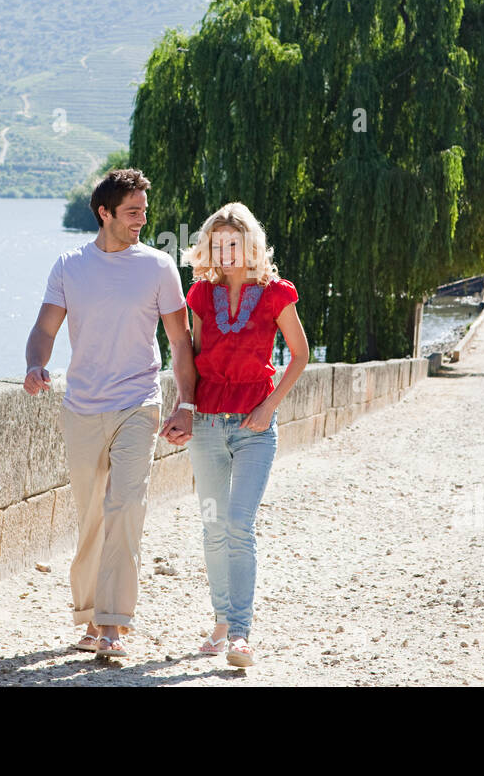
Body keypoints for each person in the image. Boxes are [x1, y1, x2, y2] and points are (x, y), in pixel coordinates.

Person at [24, 168, 197, 659]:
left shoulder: (159, 267)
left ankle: (113, 624)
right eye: (133, 212)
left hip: (138, 403)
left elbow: (180, 342)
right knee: (91, 515)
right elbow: (45, 328)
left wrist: (185, 403)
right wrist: (36, 364)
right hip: (81, 406)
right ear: (105, 213)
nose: (142, 219)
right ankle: (88, 615)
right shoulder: (69, 266)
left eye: (144, 210)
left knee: (126, 508)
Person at [173, 202, 308, 667]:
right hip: (208, 425)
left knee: (238, 526)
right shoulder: (200, 296)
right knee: (213, 526)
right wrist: (184, 408)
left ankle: (241, 634)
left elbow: (300, 354)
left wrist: (269, 407)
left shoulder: (276, 293)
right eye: (217, 244)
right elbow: (189, 356)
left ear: (250, 245)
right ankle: (221, 622)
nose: (226, 252)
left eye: (234, 243)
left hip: (255, 430)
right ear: (208, 248)